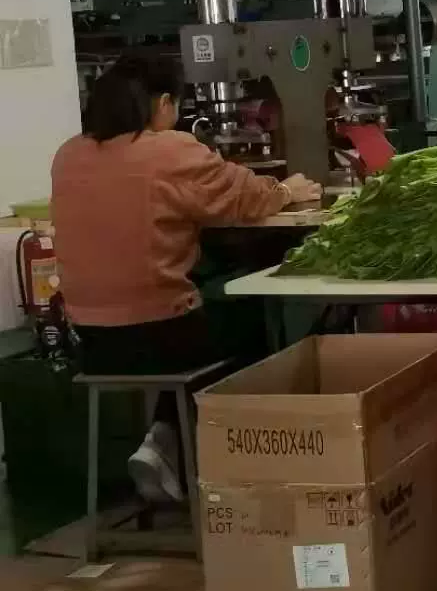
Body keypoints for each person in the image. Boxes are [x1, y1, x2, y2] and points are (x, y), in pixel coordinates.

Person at [51, 53, 321, 503]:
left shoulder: (68, 154)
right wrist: (286, 190)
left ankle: (164, 438)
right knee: (260, 320)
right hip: (162, 337)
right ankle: (246, 472)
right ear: (162, 103)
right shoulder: (169, 150)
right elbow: (244, 197)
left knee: (197, 307)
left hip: (92, 343)